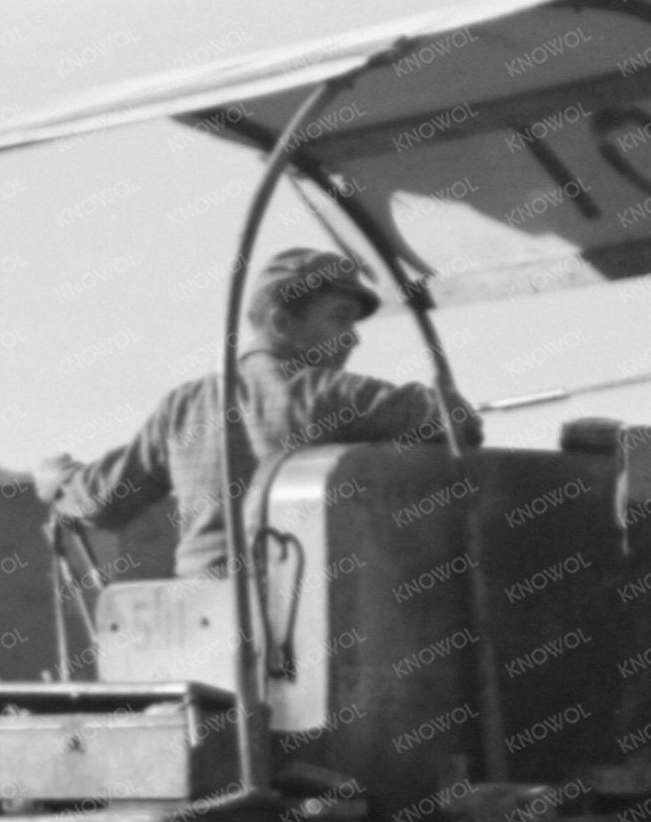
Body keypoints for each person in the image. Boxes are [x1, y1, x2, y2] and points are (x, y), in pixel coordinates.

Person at [32, 246, 462, 579]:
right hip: (311, 613)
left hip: (205, 621)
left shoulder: (183, 407)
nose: (353, 338)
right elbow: (457, 422)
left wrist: (62, 479)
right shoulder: (331, 394)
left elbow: (102, 503)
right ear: (282, 323)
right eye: (340, 318)